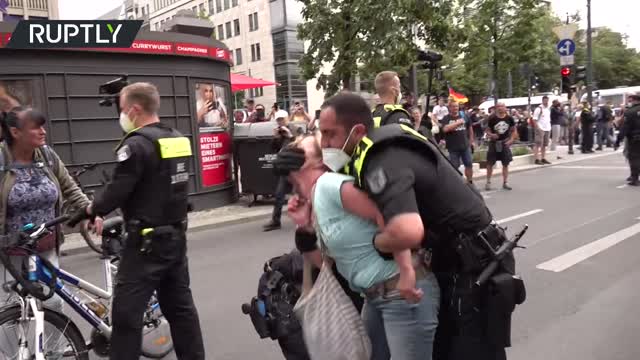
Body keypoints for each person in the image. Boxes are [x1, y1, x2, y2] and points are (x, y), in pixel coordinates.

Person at [275, 92, 524, 360]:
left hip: (471, 263)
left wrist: (383, 247)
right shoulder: (357, 165)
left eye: (329, 134)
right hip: (443, 266)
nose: (325, 144)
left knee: (469, 351)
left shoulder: (381, 158)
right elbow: (334, 258)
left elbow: (405, 231)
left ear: (357, 131)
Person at [70, 82, 205, 360]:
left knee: (126, 317)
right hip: (176, 239)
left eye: (122, 110)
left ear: (134, 109)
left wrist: (90, 209)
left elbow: (119, 189)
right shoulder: (177, 138)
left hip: (145, 245)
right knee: (181, 312)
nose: (121, 116)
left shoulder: (135, 145)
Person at [288, 135, 438, 360]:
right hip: (374, 297)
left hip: (402, 292)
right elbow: (328, 264)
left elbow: (387, 216)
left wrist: (407, 271)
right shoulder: (316, 197)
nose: (324, 144)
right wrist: (304, 226)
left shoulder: (330, 184)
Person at [0, 107, 102, 313]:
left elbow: (69, 187)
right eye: (35, 127)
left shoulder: (47, 156)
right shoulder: (2, 159)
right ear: (15, 132)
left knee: (53, 302)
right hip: (11, 249)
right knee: (10, 309)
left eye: (42, 126)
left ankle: (57, 345)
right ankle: (13, 347)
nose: (43, 131)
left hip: (45, 245)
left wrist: (89, 211)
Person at [264, 110, 295, 231]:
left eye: (282, 119)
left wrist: (290, 136)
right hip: (285, 167)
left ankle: (308, 220)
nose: (280, 122)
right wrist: (275, 138)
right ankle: (276, 221)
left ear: (287, 118)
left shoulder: (294, 128)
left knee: (301, 195)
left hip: (296, 167)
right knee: (279, 194)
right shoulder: (279, 132)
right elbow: (272, 149)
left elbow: (301, 145)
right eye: (278, 120)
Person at [440, 100, 475, 183]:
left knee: (469, 164)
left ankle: (470, 181)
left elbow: (470, 129)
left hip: (465, 145)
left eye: (456, 106)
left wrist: (471, 141)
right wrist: (457, 123)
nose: (455, 108)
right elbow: (445, 129)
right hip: (453, 147)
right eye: (453, 106)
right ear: (449, 108)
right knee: (454, 166)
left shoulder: (465, 116)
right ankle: (457, 183)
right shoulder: (446, 118)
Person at [485, 103, 517, 191]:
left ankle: (505, 182)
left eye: (502, 106)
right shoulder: (492, 118)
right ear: (496, 108)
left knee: (505, 164)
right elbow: (487, 130)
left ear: (505, 108)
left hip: (505, 142)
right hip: (493, 143)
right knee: (490, 163)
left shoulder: (509, 118)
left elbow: (514, 130)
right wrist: (492, 135)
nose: (500, 108)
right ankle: (488, 182)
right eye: (498, 107)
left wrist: (511, 140)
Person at [622, 93, 640, 186]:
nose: (629, 102)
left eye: (630, 100)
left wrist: (618, 139)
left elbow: (626, 127)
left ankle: (635, 178)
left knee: (634, 158)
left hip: (635, 138)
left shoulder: (630, 111)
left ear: (634, 100)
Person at [532, 96, 552, 165]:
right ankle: (536, 159)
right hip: (540, 128)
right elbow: (534, 119)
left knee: (544, 144)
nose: (546, 102)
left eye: (547, 100)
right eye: (545, 100)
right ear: (542, 100)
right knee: (538, 144)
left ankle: (543, 158)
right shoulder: (539, 109)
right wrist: (538, 128)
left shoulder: (548, 109)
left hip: (547, 128)